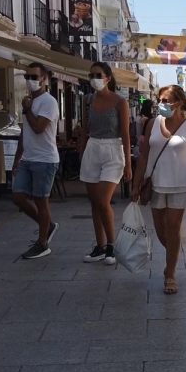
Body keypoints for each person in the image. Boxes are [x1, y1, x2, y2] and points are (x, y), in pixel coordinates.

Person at [131, 85, 186, 295]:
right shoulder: (153, 124)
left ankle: (169, 273)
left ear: (179, 103)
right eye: (160, 100)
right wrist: (136, 185)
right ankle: (173, 251)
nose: (161, 104)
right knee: (161, 230)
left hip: (181, 184)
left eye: (166, 101)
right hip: (155, 183)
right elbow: (144, 156)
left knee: (173, 227)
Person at [78, 62, 132, 263]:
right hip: (93, 149)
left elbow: (126, 134)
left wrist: (128, 164)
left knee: (103, 201)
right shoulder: (88, 99)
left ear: (108, 78)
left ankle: (111, 245)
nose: (94, 79)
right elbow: (85, 129)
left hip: (113, 150)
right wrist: (82, 153)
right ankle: (99, 246)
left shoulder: (120, 102)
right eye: (91, 75)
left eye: (98, 75)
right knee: (94, 202)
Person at [12, 62, 60, 259]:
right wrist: (17, 158)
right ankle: (47, 225)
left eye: (34, 77)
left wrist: (26, 110)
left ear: (43, 79)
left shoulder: (48, 102)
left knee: (41, 200)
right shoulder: (29, 101)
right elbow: (26, 132)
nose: (30, 81)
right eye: (27, 77)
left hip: (45, 159)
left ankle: (43, 243)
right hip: (28, 158)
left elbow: (39, 127)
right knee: (18, 197)